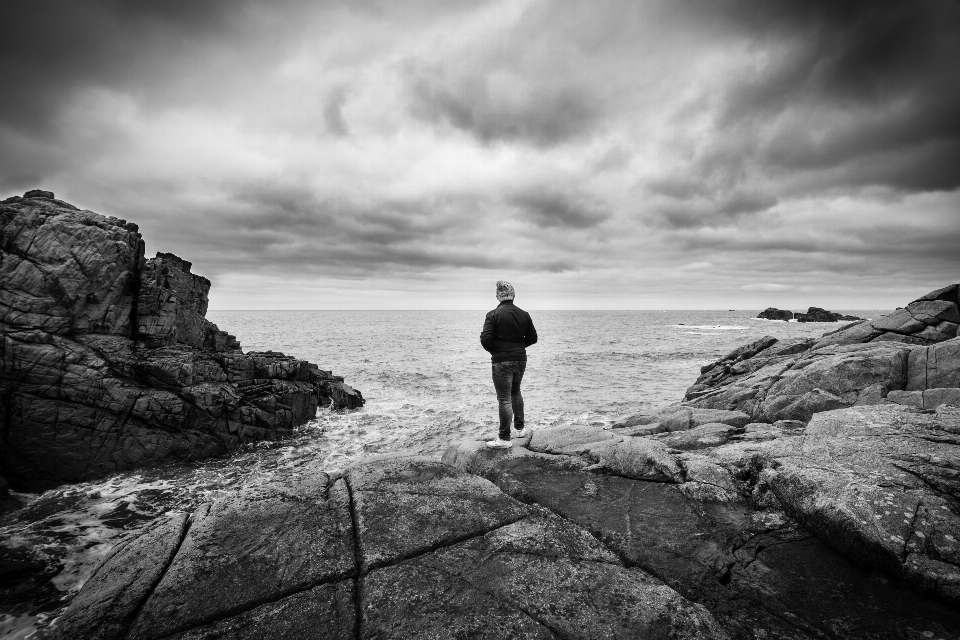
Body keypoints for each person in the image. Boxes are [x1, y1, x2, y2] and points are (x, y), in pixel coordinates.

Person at [480, 281, 538, 448]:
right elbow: (533, 339)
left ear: (498, 296)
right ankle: (519, 430)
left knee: (504, 398)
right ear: (513, 295)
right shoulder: (524, 314)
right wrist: (518, 347)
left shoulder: (493, 314)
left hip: (501, 360)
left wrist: (497, 351)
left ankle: (504, 438)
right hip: (520, 358)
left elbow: (485, 339)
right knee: (516, 392)